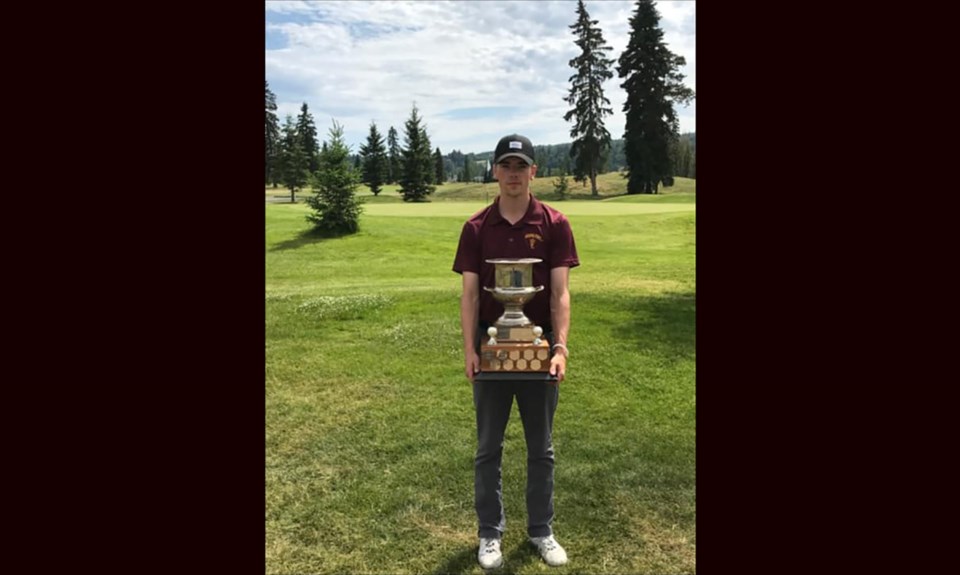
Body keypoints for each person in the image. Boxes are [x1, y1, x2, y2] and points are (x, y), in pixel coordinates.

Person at [452, 134, 580, 569]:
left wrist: (559, 346)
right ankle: (490, 533)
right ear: (494, 171)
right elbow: (469, 296)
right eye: (505, 165)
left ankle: (541, 530)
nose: (512, 173)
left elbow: (560, 293)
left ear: (533, 172)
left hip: (538, 348)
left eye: (520, 165)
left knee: (540, 449)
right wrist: (470, 348)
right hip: (491, 347)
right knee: (488, 447)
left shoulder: (555, 223)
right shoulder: (475, 227)